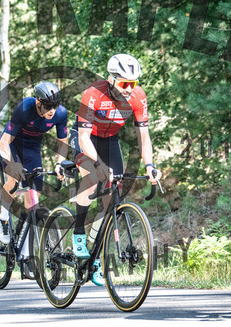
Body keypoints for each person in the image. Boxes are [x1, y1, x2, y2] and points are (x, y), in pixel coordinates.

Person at [70, 53, 162, 286]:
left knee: (112, 201)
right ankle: (78, 233)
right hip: (84, 138)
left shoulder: (138, 96)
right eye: (124, 84)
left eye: (133, 83)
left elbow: (144, 136)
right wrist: (99, 165)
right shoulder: (93, 94)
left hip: (109, 141)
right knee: (93, 177)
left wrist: (150, 165)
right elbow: (83, 137)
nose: (130, 89)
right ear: (111, 79)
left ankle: (95, 257)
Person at [0, 81, 69, 264]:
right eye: (48, 106)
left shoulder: (60, 113)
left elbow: (63, 143)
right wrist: (12, 165)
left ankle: (26, 253)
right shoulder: (24, 108)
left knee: (34, 199)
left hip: (32, 149)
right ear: (38, 101)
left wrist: (59, 164)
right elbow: (4, 143)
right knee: (13, 178)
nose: (52, 110)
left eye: (55, 105)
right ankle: (3, 218)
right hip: (12, 145)